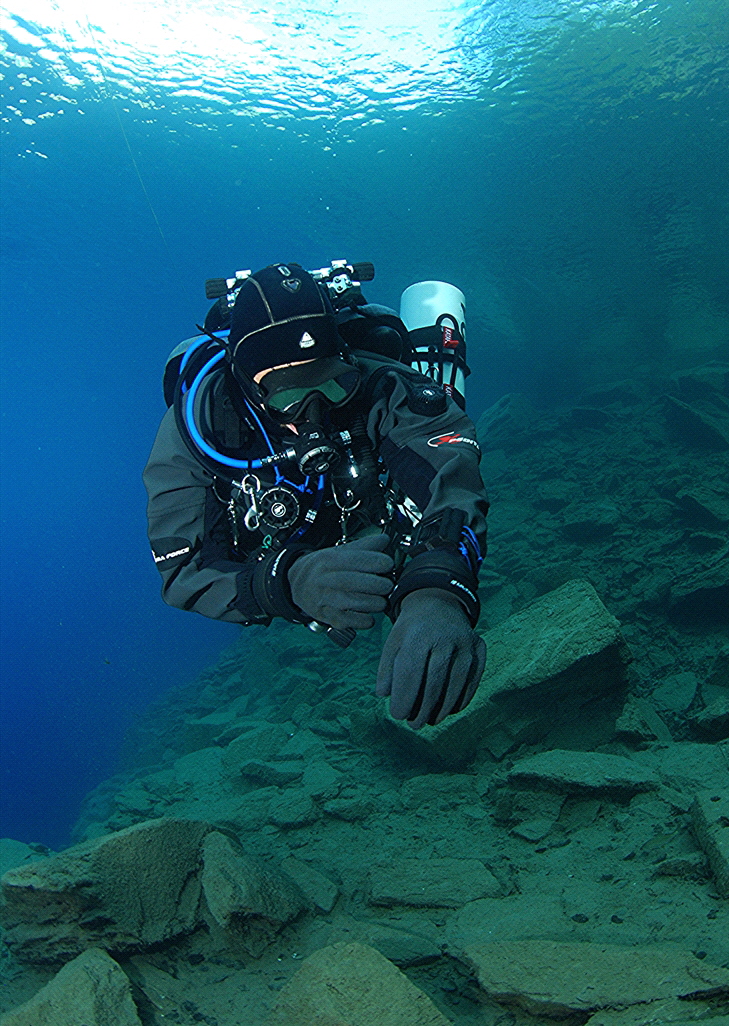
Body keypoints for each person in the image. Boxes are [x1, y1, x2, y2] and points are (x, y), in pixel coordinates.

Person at [144, 262, 489, 730]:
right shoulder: (196, 432)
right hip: (286, 551)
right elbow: (182, 570)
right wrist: (285, 584)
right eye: (288, 394)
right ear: (246, 384)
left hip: (371, 509)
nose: (314, 412)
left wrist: (440, 586)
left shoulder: (383, 385)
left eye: (332, 381)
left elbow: (453, 479)